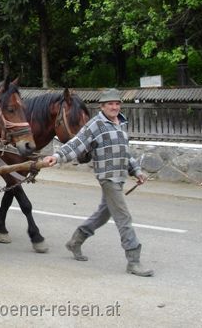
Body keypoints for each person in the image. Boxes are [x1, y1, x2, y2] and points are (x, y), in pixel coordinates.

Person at [43, 88, 154, 277]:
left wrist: (136, 171)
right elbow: (77, 143)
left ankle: (75, 241)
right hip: (108, 178)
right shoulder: (96, 125)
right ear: (102, 107)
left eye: (117, 103)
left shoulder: (121, 123)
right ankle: (133, 261)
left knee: (103, 215)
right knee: (124, 218)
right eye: (110, 104)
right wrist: (57, 156)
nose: (114, 106)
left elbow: (124, 152)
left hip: (120, 177)